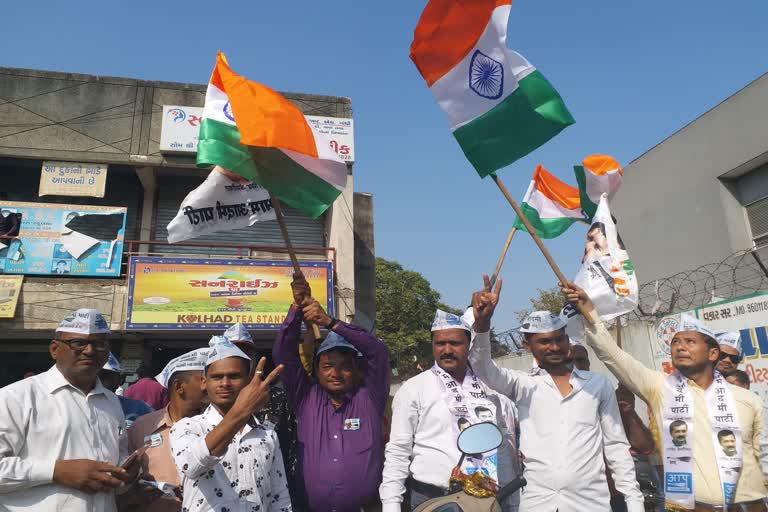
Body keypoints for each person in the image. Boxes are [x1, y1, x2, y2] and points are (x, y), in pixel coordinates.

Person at [563, 282, 768, 510]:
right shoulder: (661, 387)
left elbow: (764, 454)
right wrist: (589, 312)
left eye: (690, 342)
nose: (680, 347)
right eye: (675, 342)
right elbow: (613, 355)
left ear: (712, 353)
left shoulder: (747, 399)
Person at [468, 275, 643, 512]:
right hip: (538, 503)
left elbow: (615, 447)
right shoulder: (523, 385)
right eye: (545, 341)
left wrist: (634, 502)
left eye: (559, 339)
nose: (554, 347)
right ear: (527, 346)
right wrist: (482, 324)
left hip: (591, 504)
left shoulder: (597, 386)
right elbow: (481, 368)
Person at [380, 296, 521, 512]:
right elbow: (398, 451)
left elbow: (503, 445)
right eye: (440, 343)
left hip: (488, 499)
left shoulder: (491, 387)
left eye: (455, 343)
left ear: (468, 344)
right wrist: (391, 506)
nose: (446, 350)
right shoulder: (414, 388)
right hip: (433, 499)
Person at [0, 308, 139, 511]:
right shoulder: (15, 397)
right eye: (78, 343)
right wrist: (55, 471)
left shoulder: (111, 402)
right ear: (55, 349)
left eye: (99, 344)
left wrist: (125, 476)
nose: (90, 351)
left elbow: (114, 465)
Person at [273, 273, 390, 512]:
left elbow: (377, 351)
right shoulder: (305, 398)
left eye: (346, 366)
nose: (336, 373)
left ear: (357, 371)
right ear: (315, 370)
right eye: (327, 366)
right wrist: (296, 309)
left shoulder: (370, 397)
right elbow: (284, 354)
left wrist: (330, 322)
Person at [170, 336, 290, 512]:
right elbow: (192, 466)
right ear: (205, 382)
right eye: (217, 377)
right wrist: (241, 411)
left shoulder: (267, 434)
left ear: (248, 381)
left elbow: (280, 497)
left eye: (234, 376)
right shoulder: (188, 427)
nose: (225, 383)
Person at [123, 348, 208, 512]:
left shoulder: (216, 426)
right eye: (203, 380)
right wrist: (137, 490)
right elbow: (125, 478)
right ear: (179, 386)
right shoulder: (142, 426)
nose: (209, 385)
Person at [99, 353, 153, 428]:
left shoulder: (140, 409)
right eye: (94, 376)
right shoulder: (78, 407)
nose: (98, 383)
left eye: (105, 377)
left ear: (120, 380)